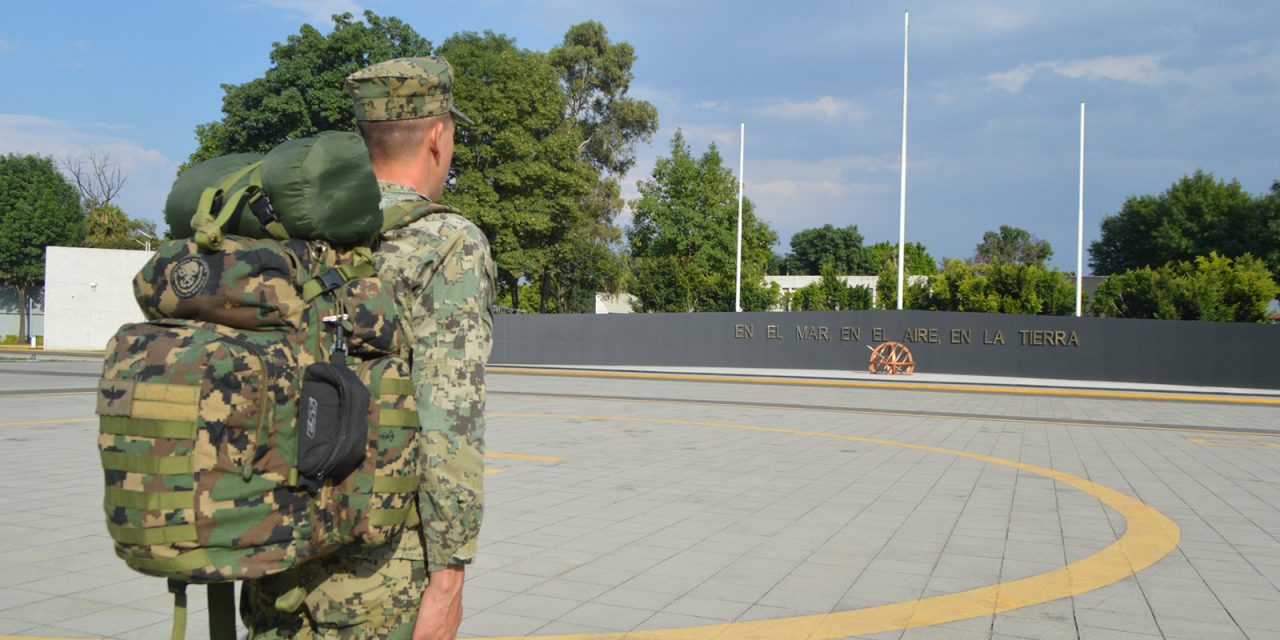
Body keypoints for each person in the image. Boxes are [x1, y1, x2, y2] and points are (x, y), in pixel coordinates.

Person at [244, 56, 493, 640]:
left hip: (275, 555)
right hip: (380, 570)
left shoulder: (292, 234)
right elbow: (449, 422)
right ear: (438, 136)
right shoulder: (447, 242)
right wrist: (448, 579)